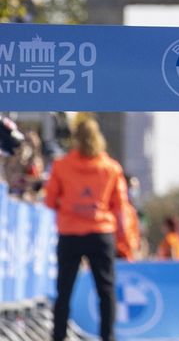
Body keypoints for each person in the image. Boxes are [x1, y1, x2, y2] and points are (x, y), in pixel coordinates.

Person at [44, 116, 126, 341]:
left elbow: (50, 201)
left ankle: (58, 336)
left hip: (70, 233)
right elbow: (120, 207)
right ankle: (107, 337)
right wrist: (126, 241)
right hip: (101, 233)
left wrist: (69, 206)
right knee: (106, 291)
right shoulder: (111, 168)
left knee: (64, 291)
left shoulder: (61, 166)